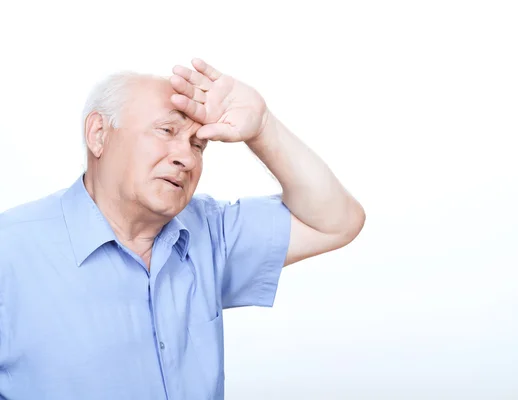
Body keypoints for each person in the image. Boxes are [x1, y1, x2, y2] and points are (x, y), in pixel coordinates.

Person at [0, 58, 365, 399]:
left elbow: (336, 223)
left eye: (198, 144)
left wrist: (263, 128)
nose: (187, 157)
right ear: (99, 134)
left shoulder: (209, 231)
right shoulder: (11, 252)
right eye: (166, 130)